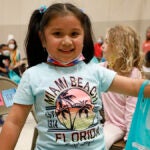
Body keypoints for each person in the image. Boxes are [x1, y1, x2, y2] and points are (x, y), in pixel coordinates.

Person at [0, 3, 149, 150]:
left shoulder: (95, 71)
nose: (66, 41)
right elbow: (14, 122)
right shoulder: (32, 76)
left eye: (74, 34)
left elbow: (135, 87)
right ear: (43, 38)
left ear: (84, 37)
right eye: (57, 33)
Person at [100, 25, 142, 149]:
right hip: (108, 122)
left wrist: (130, 138)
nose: (102, 46)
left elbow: (132, 109)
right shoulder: (101, 68)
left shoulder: (133, 74)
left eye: (107, 42)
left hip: (120, 125)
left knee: (100, 144)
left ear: (118, 48)